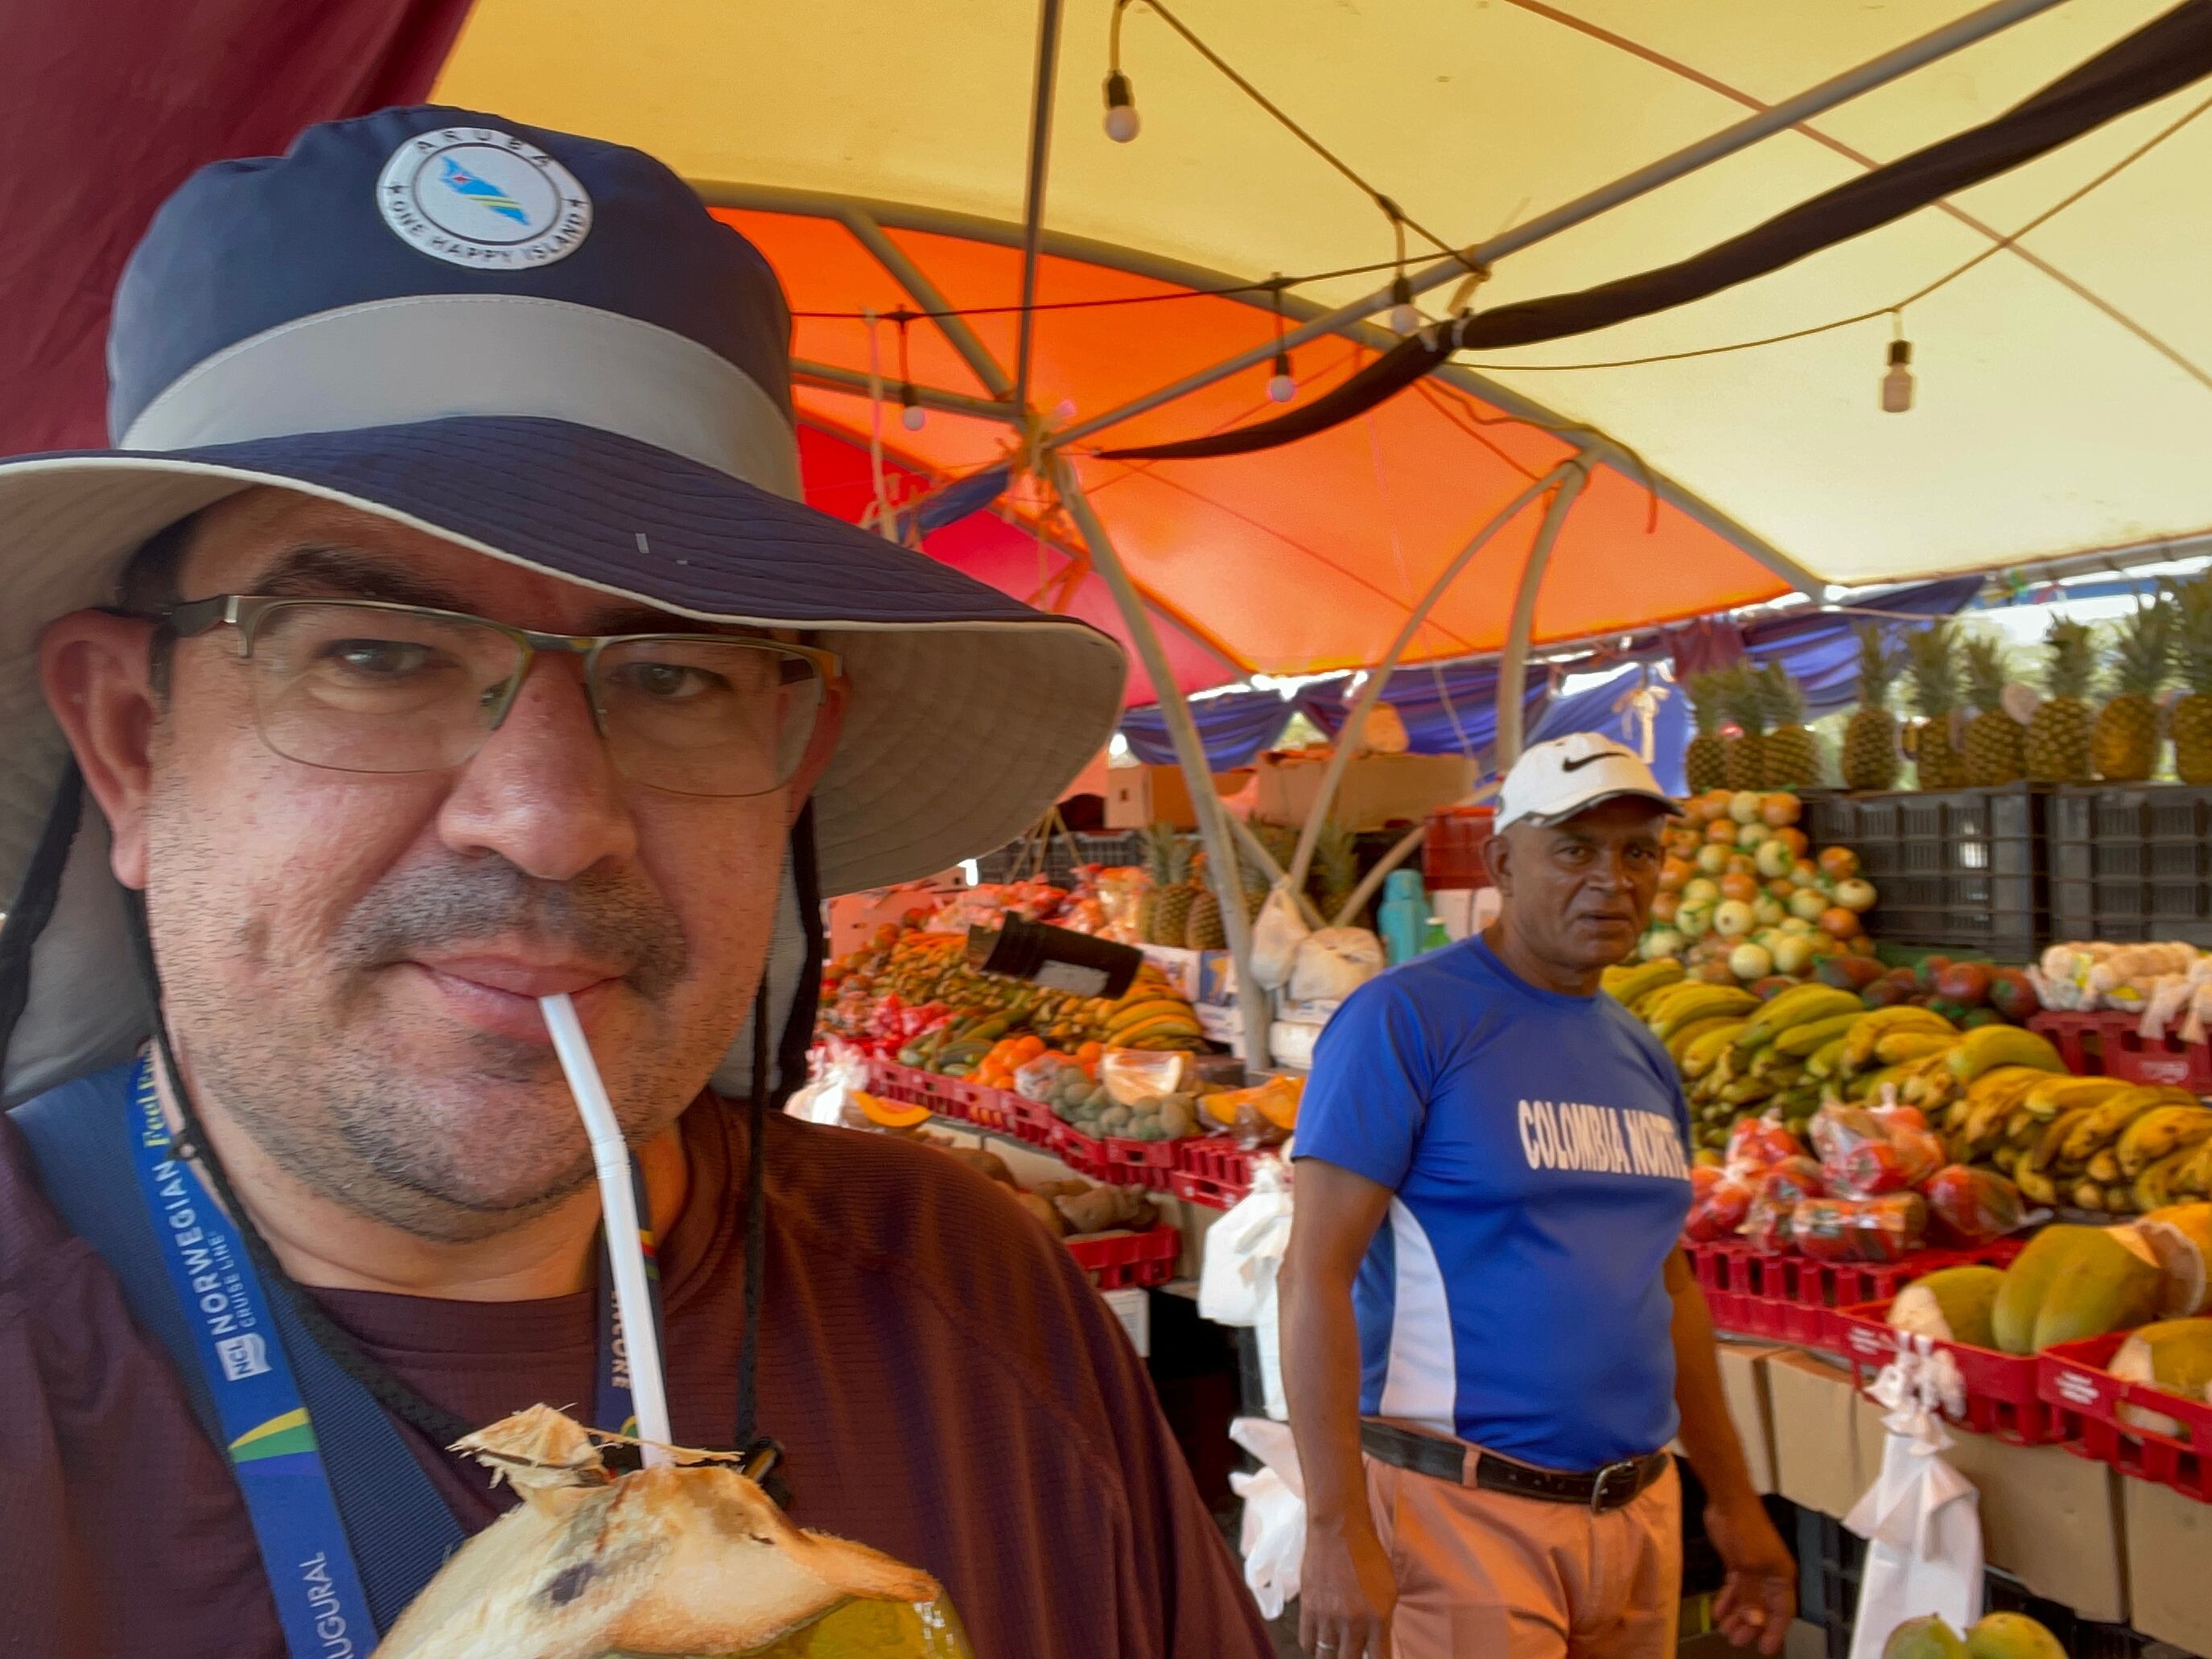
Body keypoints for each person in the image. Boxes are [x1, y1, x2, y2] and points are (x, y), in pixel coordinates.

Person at [0, 106, 1275, 1659]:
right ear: (131, 743)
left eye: (676, 675)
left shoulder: (973, 1305)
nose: (547, 819)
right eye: (375, 652)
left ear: (792, 759)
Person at [1283, 733, 1796, 1659]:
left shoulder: (1640, 1052)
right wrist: (1334, 1524)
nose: (1612, 878)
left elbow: (1668, 1291)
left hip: (1637, 1511)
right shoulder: (1404, 1020)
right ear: (1502, 863)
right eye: (1574, 848)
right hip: (1460, 1516)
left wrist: (1733, 1498)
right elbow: (1313, 1274)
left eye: (1638, 851)